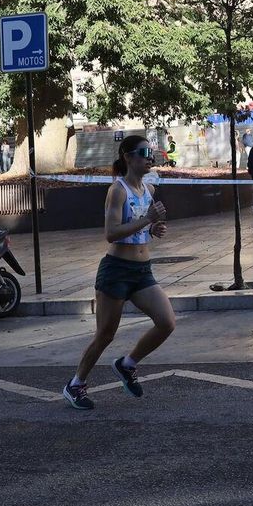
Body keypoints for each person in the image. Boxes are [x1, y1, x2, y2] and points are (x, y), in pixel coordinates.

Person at [62, 135, 176, 410]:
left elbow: (138, 226)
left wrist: (153, 229)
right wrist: (147, 219)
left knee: (167, 322)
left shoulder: (146, 190)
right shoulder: (118, 190)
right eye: (143, 152)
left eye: (150, 152)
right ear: (127, 156)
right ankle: (75, 384)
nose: (149, 157)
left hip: (142, 271)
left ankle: (127, 364)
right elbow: (111, 233)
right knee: (105, 334)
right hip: (116, 271)